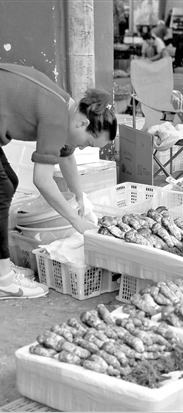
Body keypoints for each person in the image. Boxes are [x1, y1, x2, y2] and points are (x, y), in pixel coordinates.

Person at [0, 63, 117, 299]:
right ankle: (3, 280)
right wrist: (75, 220)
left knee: (8, 183)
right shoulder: (56, 119)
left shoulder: (66, 108)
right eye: (88, 143)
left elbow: (67, 156)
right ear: (83, 124)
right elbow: (42, 180)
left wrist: (80, 197)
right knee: (2, 190)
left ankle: (2, 267)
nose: (82, 147)